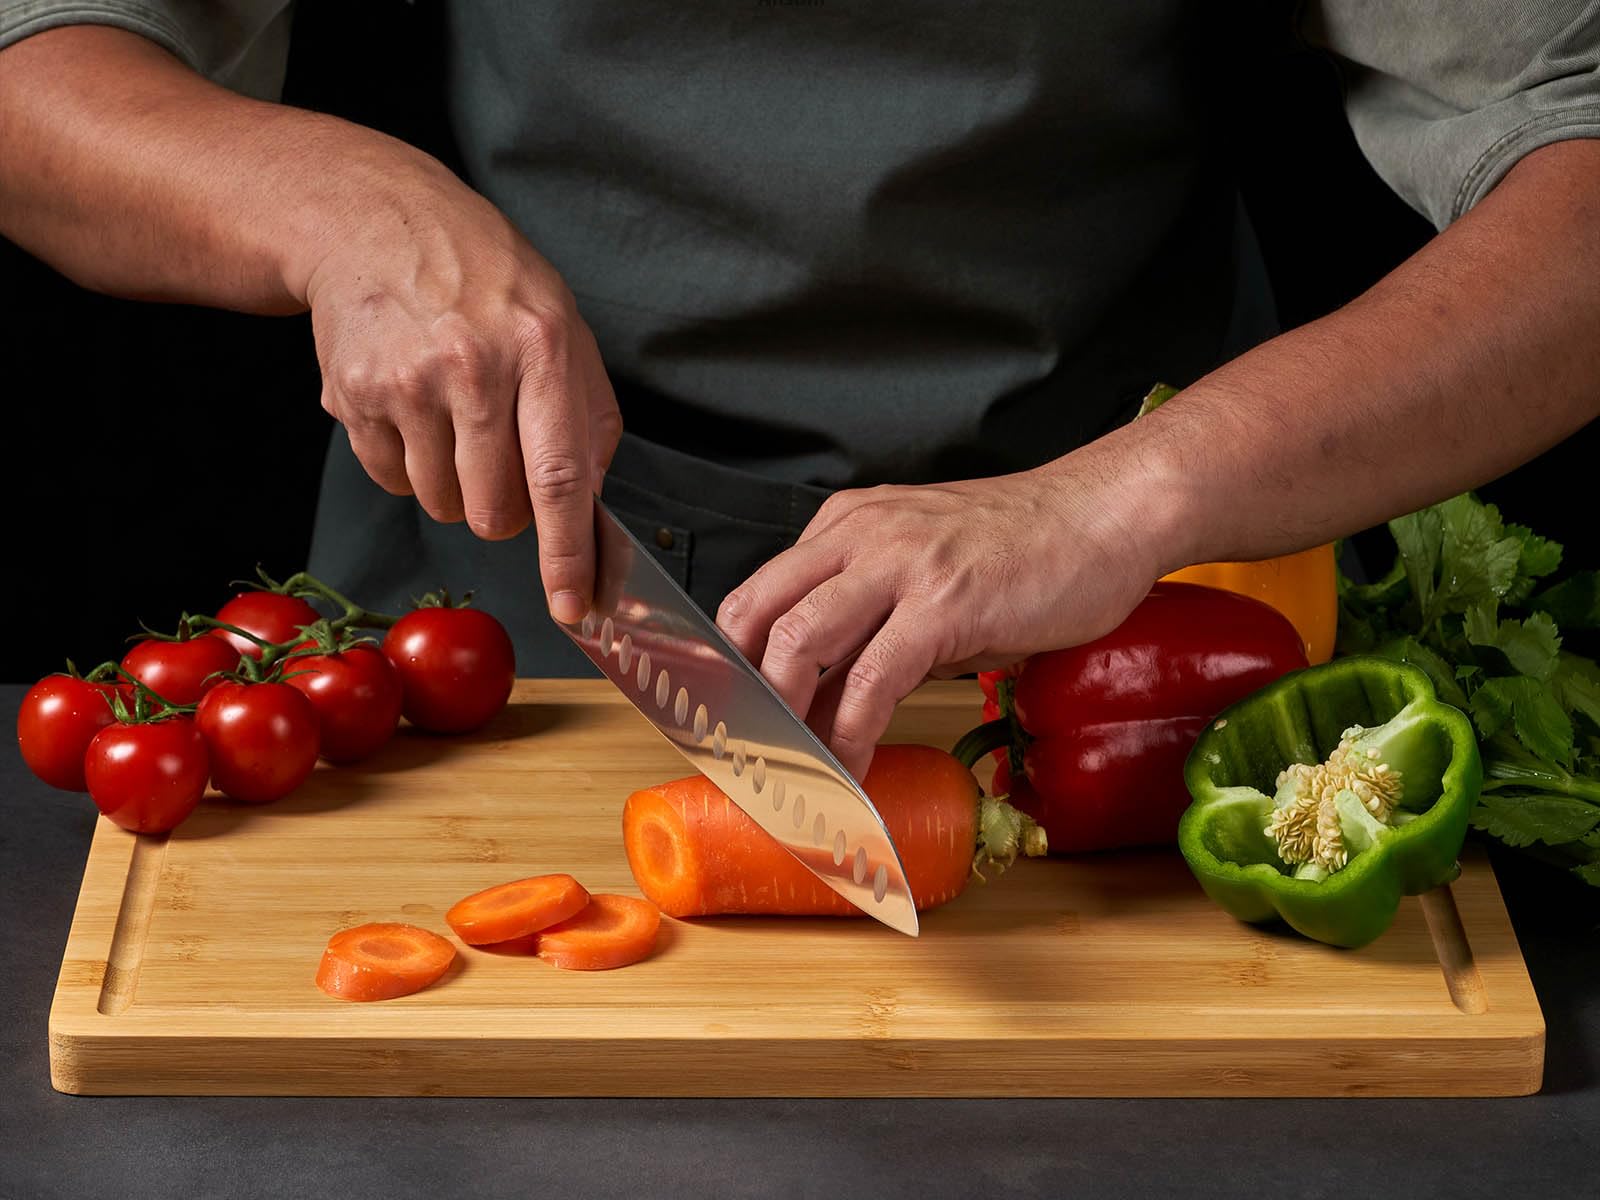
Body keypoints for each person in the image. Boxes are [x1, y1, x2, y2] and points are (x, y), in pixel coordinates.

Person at [2, 3, 1598, 781]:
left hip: (1149, 612)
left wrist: (1130, 492)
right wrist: (338, 206)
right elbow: (34, 66)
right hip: (503, 595)